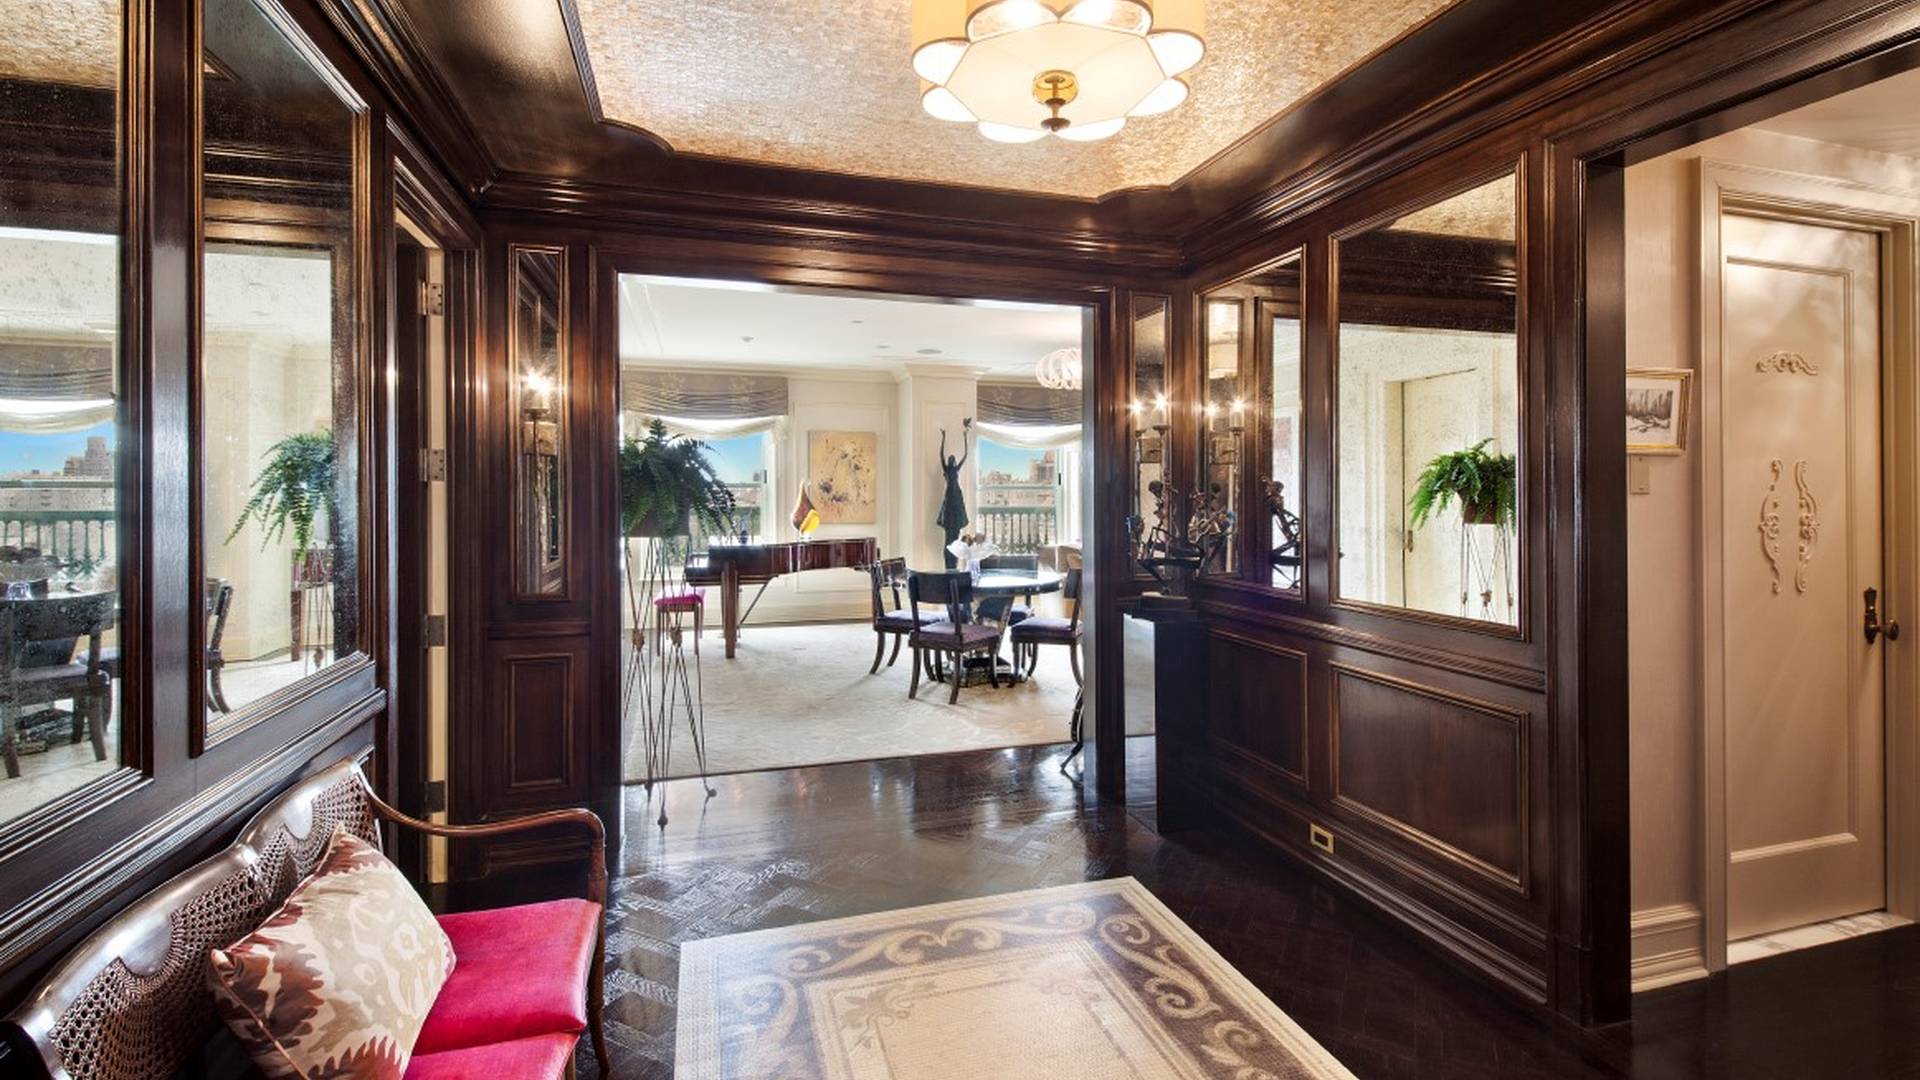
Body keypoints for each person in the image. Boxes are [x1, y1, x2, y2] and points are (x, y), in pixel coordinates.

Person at [935, 419, 972, 568]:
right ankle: (948, 566)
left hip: (956, 501)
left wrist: (965, 437)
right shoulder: (946, 470)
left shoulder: (956, 470)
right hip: (950, 502)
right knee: (948, 541)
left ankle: (954, 566)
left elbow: (966, 455)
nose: (951, 460)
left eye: (952, 459)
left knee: (955, 540)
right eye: (950, 459)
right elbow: (941, 455)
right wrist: (943, 438)